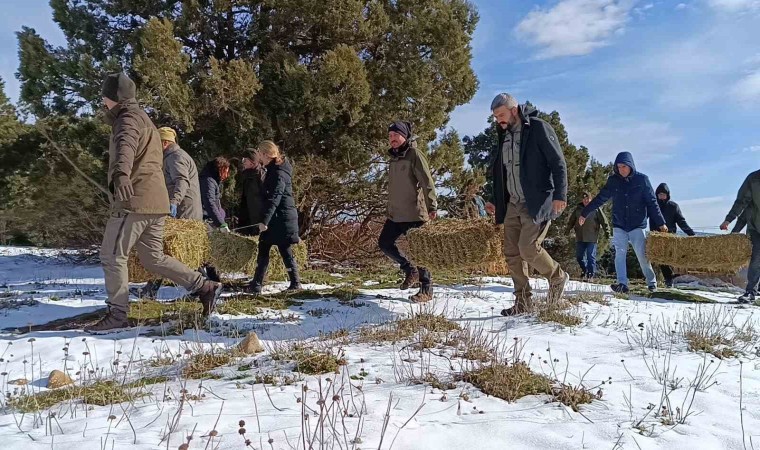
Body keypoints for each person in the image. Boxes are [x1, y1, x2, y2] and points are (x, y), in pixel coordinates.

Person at [86, 73, 221, 333]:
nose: (102, 100)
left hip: (135, 201)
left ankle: (117, 314)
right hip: (156, 203)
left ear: (113, 97)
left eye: (104, 95)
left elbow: (125, 147)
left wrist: (121, 174)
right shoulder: (145, 118)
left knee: (112, 255)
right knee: (153, 258)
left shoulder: (127, 119)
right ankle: (204, 286)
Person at [484, 93, 569, 316]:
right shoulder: (504, 135)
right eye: (495, 117)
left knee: (528, 247)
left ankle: (557, 277)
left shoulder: (539, 128)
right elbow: (501, 170)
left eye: (501, 115)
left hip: (536, 200)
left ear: (513, 110)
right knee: (512, 252)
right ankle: (523, 301)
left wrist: (560, 194)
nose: (498, 120)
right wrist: (495, 197)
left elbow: (558, 162)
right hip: (512, 202)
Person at [580, 152, 668, 294]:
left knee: (641, 255)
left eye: (624, 166)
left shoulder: (642, 180)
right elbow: (600, 198)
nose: (621, 170)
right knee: (619, 254)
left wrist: (661, 222)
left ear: (630, 166)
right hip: (619, 224)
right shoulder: (613, 181)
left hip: (637, 225)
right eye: (619, 167)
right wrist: (585, 212)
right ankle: (622, 284)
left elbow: (652, 203)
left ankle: (651, 282)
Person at [132, 127, 203, 300]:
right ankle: (151, 289)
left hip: (184, 212)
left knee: (180, 252)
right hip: (180, 210)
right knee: (168, 250)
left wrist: (173, 202)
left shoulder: (176, 157)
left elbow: (181, 181)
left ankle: (204, 286)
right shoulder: (170, 157)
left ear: (164, 143)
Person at [378, 121, 437, 303]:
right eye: (390, 136)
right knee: (385, 243)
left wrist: (432, 206)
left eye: (396, 135)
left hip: (414, 213)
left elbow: (427, 182)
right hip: (396, 214)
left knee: (421, 251)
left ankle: (426, 290)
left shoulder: (414, 155)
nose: (392, 139)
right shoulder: (394, 158)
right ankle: (409, 269)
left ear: (405, 136)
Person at [245, 141, 302, 294]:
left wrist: (264, 221)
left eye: (259, 153)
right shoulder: (274, 169)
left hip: (280, 218)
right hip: (277, 217)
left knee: (279, 249)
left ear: (265, 154)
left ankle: (294, 283)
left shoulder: (278, 173)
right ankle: (258, 283)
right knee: (269, 248)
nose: (259, 157)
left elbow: (274, 198)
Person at [721, 170, 760, 303]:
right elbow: (741, 201)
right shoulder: (754, 179)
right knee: (756, 258)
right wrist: (729, 219)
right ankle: (750, 292)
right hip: (756, 227)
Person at [649, 183, 695, 288]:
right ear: (656, 195)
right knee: (661, 259)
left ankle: (671, 277)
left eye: (663, 194)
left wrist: (691, 234)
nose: (661, 196)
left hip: (670, 237)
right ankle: (669, 279)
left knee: (669, 258)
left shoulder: (673, 206)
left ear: (667, 195)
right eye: (659, 194)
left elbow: (681, 221)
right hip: (656, 237)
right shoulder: (653, 207)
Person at [565, 192, 610, 280]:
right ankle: (584, 270)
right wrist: (567, 230)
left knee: (590, 256)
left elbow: (604, 222)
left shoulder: (596, 209)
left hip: (591, 237)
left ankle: (590, 275)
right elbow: (571, 220)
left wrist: (607, 233)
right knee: (579, 257)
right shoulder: (578, 209)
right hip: (580, 236)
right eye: (584, 199)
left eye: (587, 199)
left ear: (591, 199)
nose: (586, 200)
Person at [238, 148, 266, 237]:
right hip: (247, 220)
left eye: (245, 160)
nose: (243, 162)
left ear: (252, 161)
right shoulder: (247, 176)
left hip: (258, 221)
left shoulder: (261, 176)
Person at [200, 156, 231, 232]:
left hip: (211, 218)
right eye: (225, 171)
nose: (226, 175)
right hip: (206, 219)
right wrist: (221, 223)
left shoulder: (213, 181)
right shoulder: (208, 181)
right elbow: (210, 202)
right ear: (220, 169)